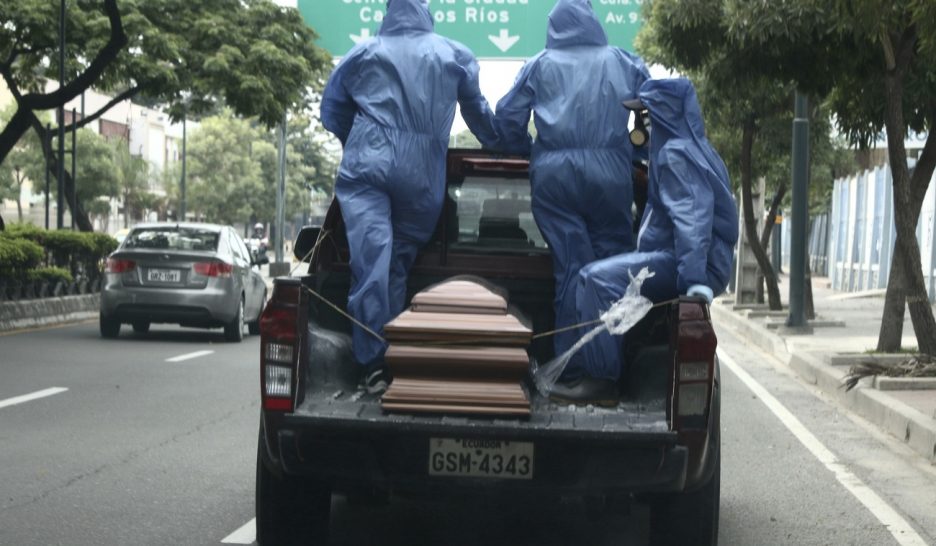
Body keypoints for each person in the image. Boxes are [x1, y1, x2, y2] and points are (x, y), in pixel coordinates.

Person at [320, 0, 501, 394]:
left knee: (371, 266)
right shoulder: (454, 55)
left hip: (368, 165)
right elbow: (479, 114)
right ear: (426, 11)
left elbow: (332, 109)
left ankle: (373, 363)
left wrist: (358, 141)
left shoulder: (363, 52)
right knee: (397, 265)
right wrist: (512, 145)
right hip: (422, 175)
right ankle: (391, 357)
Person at [551, 78, 739, 404]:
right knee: (599, 275)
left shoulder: (678, 155)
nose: (639, 122)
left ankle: (600, 382)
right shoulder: (684, 147)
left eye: (644, 115)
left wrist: (693, 281)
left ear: (661, 115)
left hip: (692, 264)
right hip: (684, 257)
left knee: (595, 279)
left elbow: (692, 219)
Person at [493, 0, 651, 362]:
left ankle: (570, 367)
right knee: (611, 271)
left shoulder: (539, 64)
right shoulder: (624, 61)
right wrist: (637, 152)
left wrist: (526, 148)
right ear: (592, 21)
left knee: (570, 270)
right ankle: (606, 370)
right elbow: (655, 110)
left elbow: (507, 116)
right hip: (610, 173)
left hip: (555, 175)